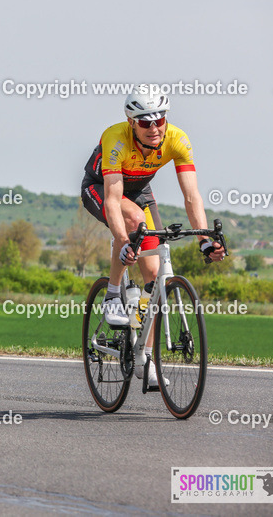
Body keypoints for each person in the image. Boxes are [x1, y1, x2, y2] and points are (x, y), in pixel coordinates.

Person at [80, 85, 225, 387]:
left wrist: (204, 240)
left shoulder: (177, 139)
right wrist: (122, 242)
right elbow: (112, 198)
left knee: (155, 280)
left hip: (140, 192)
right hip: (102, 187)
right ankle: (112, 294)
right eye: (145, 121)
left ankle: (145, 359)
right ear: (131, 122)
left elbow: (191, 195)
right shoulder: (115, 137)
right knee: (131, 219)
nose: (154, 127)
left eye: (160, 119)